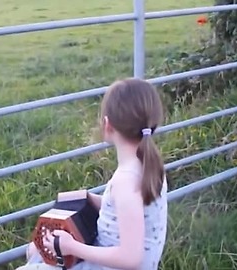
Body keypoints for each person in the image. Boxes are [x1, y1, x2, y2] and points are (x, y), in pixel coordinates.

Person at [20, 78, 168, 270]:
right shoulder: (147, 164)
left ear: (107, 124)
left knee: (35, 259)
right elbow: (130, 209)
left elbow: (131, 258)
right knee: (35, 250)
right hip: (111, 259)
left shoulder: (126, 181)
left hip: (111, 265)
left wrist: (72, 247)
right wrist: (92, 200)